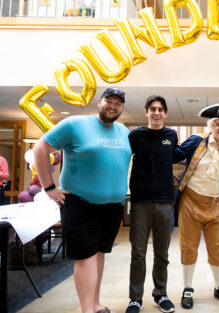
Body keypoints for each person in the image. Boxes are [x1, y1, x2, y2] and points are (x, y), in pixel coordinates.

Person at [33, 87, 132, 313]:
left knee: (99, 253)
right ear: (99, 102)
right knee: (85, 256)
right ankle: (88, 310)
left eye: (118, 103)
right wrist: (48, 187)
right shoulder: (74, 124)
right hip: (79, 203)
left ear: (122, 107)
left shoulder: (123, 132)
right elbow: (41, 148)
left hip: (112, 206)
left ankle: (95, 305)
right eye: (109, 101)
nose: (113, 106)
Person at [175, 103, 219, 310]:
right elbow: (173, 156)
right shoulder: (197, 142)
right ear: (211, 126)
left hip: (216, 206)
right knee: (189, 248)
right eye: (218, 124)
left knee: (218, 248)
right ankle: (187, 289)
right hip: (191, 203)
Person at [125, 96, 177, 313]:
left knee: (162, 253)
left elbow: (177, 156)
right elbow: (121, 158)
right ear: (146, 112)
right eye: (152, 109)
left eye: (160, 109)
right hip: (141, 202)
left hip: (165, 201)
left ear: (165, 113)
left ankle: (160, 294)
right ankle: (135, 298)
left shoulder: (171, 135)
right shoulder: (135, 135)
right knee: (138, 253)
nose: (156, 113)